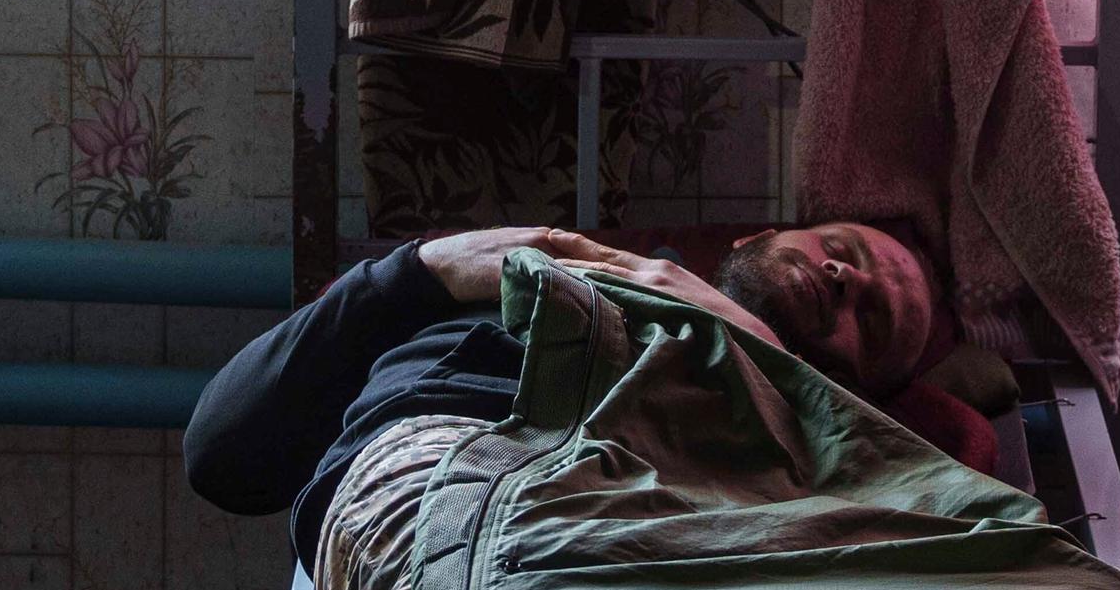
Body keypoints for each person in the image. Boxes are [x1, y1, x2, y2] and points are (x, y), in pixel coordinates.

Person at [183, 217, 965, 564]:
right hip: (415, 504)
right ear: (752, 238)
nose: (844, 275)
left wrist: (755, 360)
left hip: (587, 563)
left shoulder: (794, 458)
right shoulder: (512, 276)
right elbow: (220, 451)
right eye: (840, 248)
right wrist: (424, 267)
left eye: (874, 316)